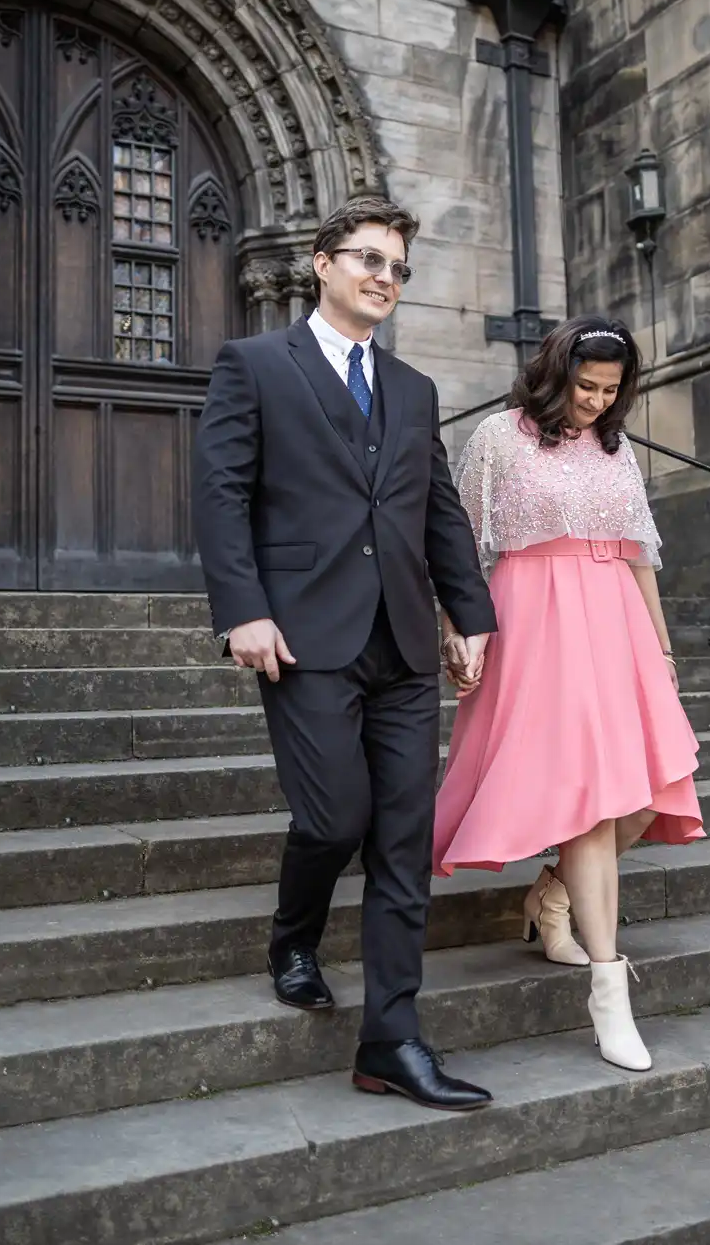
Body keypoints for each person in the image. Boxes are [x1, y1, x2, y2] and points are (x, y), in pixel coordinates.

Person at [191, 196, 499, 1112]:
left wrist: (468, 611)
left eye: (398, 267)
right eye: (368, 258)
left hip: (403, 641)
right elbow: (220, 493)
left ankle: (391, 1040)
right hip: (303, 635)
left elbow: (436, 509)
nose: (385, 277)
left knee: (404, 841)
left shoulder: (412, 391)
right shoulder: (254, 365)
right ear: (321, 263)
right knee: (333, 820)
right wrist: (241, 609)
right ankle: (294, 936)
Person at [432, 317, 703, 1073]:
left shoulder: (616, 449)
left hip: (615, 619)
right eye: (586, 386)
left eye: (611, 390)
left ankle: (553, 893)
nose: (596, 401)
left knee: (652, 789)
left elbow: (638, 553)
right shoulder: (498, 437)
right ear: (556, 374)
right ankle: (609, 992)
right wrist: (458, 628)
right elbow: (457, 540)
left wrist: (664, 645)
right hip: (534, 616)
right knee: (590, 799)